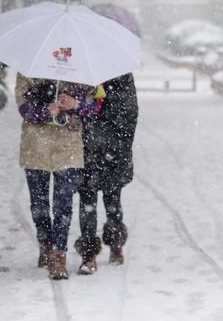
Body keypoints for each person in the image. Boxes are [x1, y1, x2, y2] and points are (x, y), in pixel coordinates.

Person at [16, 75, 101, 280]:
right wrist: (44, 112)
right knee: (39, 203)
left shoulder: (81, 67)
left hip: (69, 145)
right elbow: (22, 105)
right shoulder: (29, 67)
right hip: (35, 144)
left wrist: (76, 103)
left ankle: (58, 254)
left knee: (63, 205)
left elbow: (96, 105)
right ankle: (44, 243)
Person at [74, 72, 138, 275]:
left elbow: (129, 111)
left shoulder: (120, 72)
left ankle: (115, 243)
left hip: (113, 147)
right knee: (87, 202)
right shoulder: (78, 70)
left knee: (113, 201)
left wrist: (103, 96)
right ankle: (88, 254)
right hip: (84, 147)